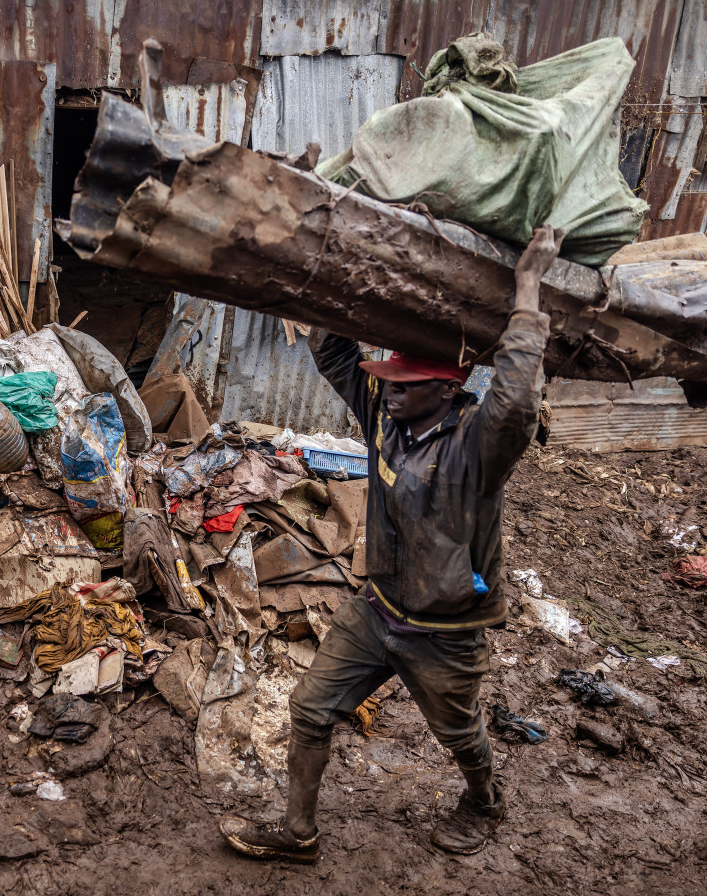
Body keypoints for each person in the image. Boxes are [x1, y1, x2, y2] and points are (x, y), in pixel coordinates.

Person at [219, 225, 563, 861]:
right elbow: (335, 354)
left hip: (446, 630)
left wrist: (528, 287)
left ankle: (484, 801)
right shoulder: (387, 410)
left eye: (405, 382)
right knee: (310, 708)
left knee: (459, 732)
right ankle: (298, 835)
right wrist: (331, 262)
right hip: (376, 609)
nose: (389, 387)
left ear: (448, 389)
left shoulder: (477, 448)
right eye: (389, 379)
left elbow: (515, 399)